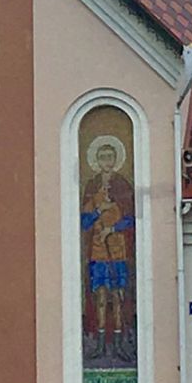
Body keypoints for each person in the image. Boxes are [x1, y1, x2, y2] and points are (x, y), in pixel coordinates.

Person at [81, 137, 136, 361]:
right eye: (102, 157)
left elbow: (132, 218)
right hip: (98, 251)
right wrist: (97, 210)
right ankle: (101, 344)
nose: (107, 161)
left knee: (118, 295)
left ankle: (120, 342)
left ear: (116, 160)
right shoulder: (92, 186)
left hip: (118, 249)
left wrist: (112, 228)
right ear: (97, 160)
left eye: (110, 157)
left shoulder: (123, 185)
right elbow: (84, 222)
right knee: (100, 296)